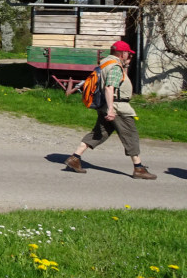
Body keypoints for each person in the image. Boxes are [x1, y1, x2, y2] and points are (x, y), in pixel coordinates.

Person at [63, 41, 156, 179]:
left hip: (106, 106)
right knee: (130, 135)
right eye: (128, 53)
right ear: (121, 53)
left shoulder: (106, 64)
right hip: (118, 108)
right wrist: (111, 110)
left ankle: (75, 158)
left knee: (99, 134)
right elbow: (109, 87)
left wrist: (126, 65)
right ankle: (138, 168)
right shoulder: (115, 67)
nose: (129, 55)